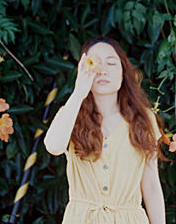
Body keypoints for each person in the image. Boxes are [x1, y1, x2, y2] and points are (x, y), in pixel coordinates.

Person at [44, 37, 166, 224]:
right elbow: (53, 146)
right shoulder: (72, 114)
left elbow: (151, 185)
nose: (102, 70)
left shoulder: (144, 119)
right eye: (94, 64)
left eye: (111, 63)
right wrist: (79, 93)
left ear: (123, 72)